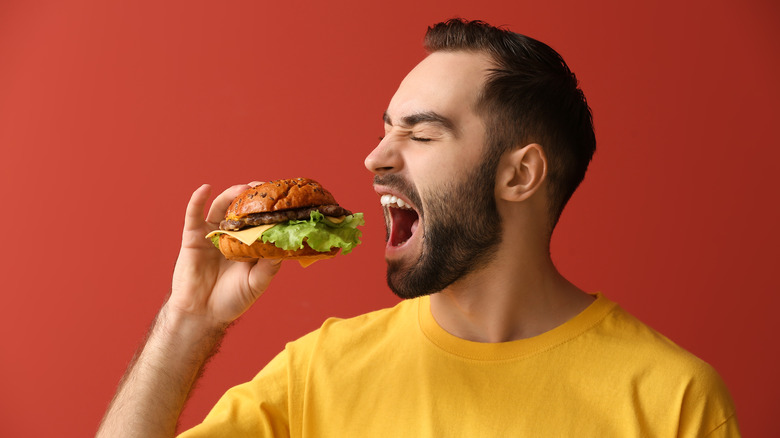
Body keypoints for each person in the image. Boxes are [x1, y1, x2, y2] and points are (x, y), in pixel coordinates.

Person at [97, 19, 740, 437]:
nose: (375, 159)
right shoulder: (317, 374)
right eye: (384, 129)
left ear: (520, 175)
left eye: (421, 133)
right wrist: (188, 321)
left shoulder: (672, 402)